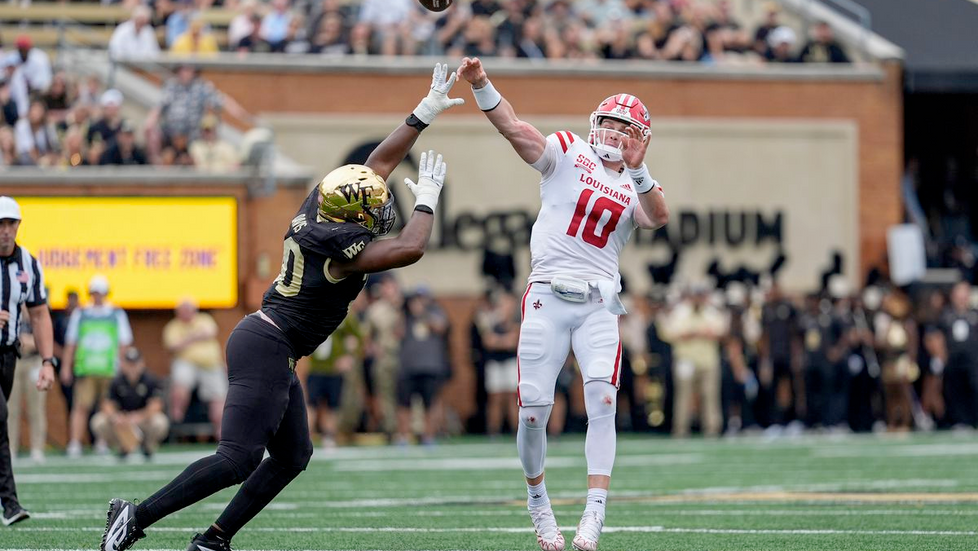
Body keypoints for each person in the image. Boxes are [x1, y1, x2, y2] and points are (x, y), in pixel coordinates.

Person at [101, 62, 464, 551]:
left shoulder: (318, 206)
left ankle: (214, 538)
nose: (380, 209)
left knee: (293, 454)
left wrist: (423, 113)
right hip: (269, 343)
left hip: (270, 340)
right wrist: (428, 202)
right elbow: (409, 248)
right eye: (372, 208)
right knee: (237, 458)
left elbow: (374, 165)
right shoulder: (342, 251)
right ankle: (135, 516)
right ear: (352, 217)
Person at [457, 57, 669, 551]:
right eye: (610, 123)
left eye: (625, 128)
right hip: (548, 295)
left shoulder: (635, 180)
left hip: (599, 303)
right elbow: (512, 127)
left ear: (640, 137)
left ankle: (594, 513)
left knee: (604, 399)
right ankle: (539, 502)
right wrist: (482, 84)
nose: (614, 133)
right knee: (532, 411)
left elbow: (657, 215)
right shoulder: (568, 150)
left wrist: (639, 170)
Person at [0, 196, 57, 526]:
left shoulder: (29, 264)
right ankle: (10, 504)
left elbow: (39, 315)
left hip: (8, 356)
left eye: (11, 224)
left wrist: (48, 361)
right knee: (0, 419)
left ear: (18, 226)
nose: (5, 231)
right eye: (0, 224)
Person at [61, 275, 134, 458]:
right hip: (86, 368)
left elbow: (124, 343)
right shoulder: (81, 314)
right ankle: (75, 443)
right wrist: (66, 367)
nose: (97, 296)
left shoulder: (116, 314)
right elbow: (71, 343)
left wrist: (123, 366)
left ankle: (103, 442)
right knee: (81, 406)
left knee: (107, 408)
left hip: (109, 369)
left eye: (100, 293)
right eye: (95, 292)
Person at [163, 298, 227, 439]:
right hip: (186, 363)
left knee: (218, 395)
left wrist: (186, 340)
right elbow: (173, 346)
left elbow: (210, 332)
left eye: (189, 310)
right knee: (181, 381)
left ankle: (221, 431)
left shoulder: (204, 319)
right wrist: (195, 336)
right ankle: (176, 418)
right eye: (183, 310)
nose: (186, 313)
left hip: (211, 365)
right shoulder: (173, 326)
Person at [90, 348, 169, 460]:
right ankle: (123, 446)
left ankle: (147, 446)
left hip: (142, 422)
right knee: (98, 421)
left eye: (135, 363)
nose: (133, 367)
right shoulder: (116, 381)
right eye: (129, 363)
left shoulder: (150, 380)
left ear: (142, 363)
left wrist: (139, 416)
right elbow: (107, 404)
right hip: (123, 423)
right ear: (123, 364)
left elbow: (156, 405)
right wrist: (116, 417)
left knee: (160, 422)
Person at [8, 307, 47, 464]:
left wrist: (33, 341)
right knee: (11, 408)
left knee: (36, 408)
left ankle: (37, 448)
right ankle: (10, 448)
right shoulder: (8, 307)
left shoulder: (39, 311)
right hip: (14, 360)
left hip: (33, 360)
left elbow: (46, 337)